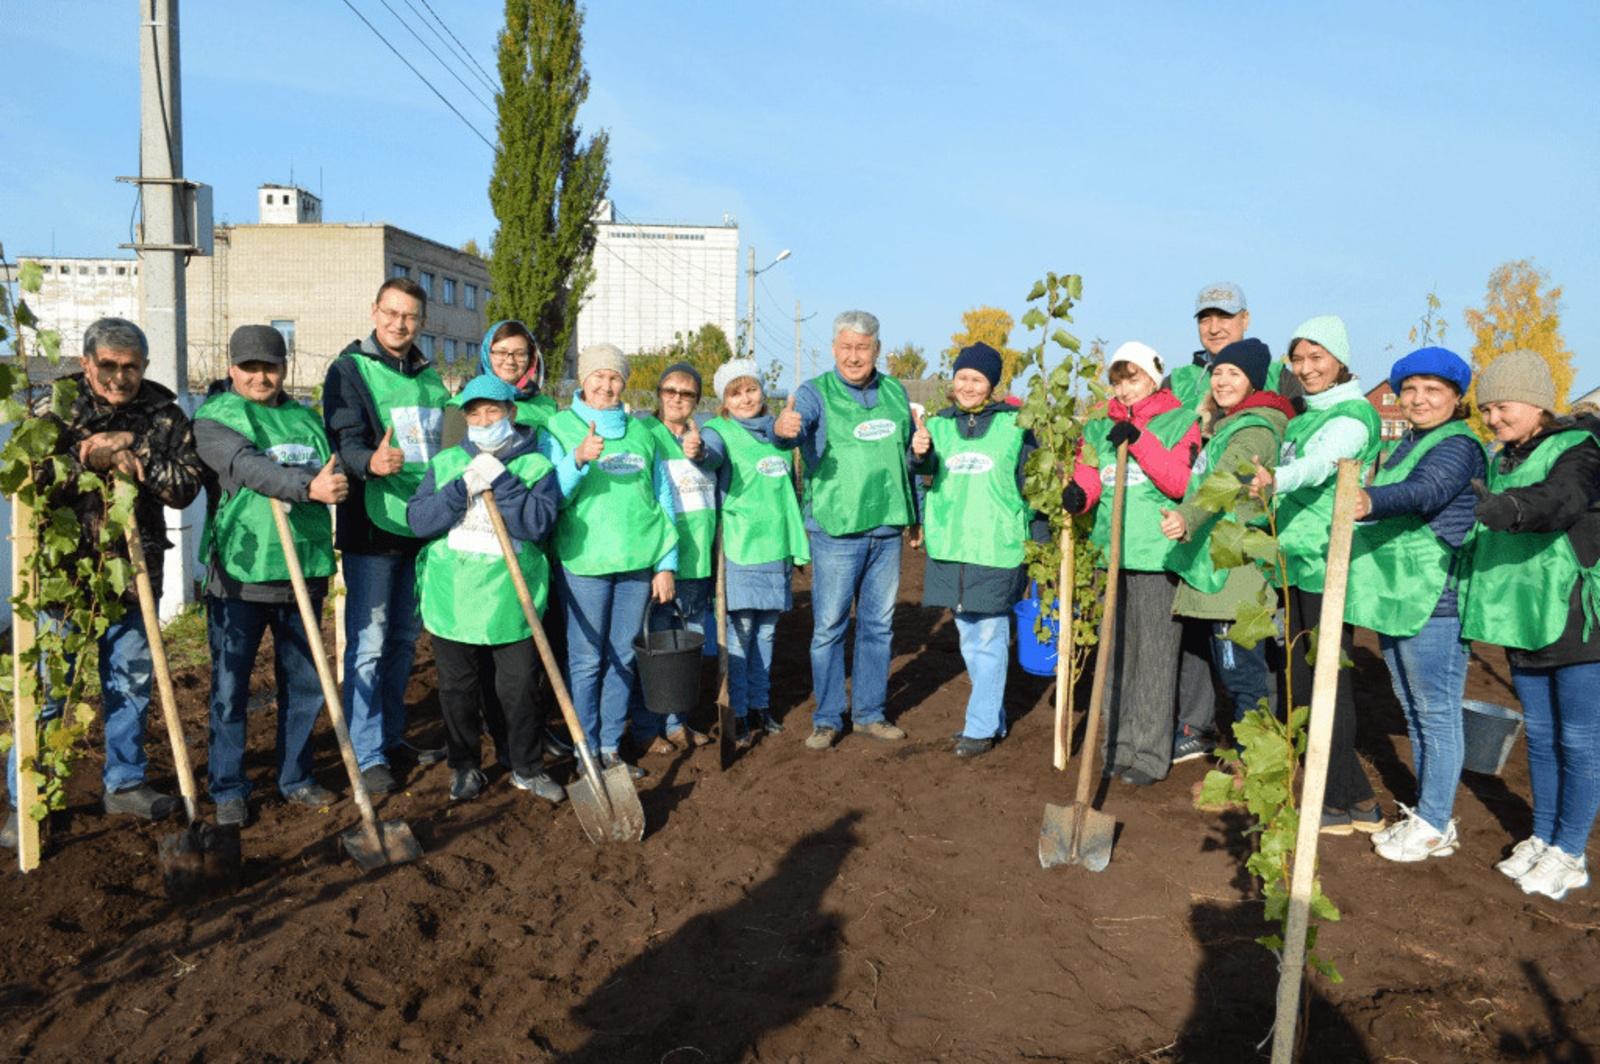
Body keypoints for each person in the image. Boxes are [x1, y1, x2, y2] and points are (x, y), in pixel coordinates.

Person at [3, 317, 204, 848]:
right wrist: (83, 456)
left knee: (130, 684)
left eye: (131, 367)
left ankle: (125, 781)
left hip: (135, 574)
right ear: (87, 362)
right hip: (63, 582)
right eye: (109, 366)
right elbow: (26, 478)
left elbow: (185, 487)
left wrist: (134, 448)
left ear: (144, 366)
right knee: (51, 691)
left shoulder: (163, 413)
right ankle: (28, 799)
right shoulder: (52, 406)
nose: (119, 377)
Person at [193, 325, 349, 827]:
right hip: (241, 572)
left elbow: (336, 470)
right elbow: (247, 467)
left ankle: (296, 775)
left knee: (304, 683)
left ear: (285, 368)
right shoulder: (217, 418)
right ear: (232, 367)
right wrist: (309, 489)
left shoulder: (306, 420)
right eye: (251, 367)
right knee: (229, 686)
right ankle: (228, 786)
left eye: (271, 366)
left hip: (304, 567)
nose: (261, 376)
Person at [1462, 351, 1600, 901]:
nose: (1493, 418)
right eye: (1487, 409)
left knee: (1580, 739)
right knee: (1540, 736)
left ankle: (1570, 853)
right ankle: (1542, 836)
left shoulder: (1581, 451)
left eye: (1503, 406)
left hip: (1575, 617)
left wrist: (1512, 507)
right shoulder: (1504, 458)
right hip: (1523, 612)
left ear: (1538, 402)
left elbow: (1562, 500)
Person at [1344, 347, 1484, 861]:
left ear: (1454, 397)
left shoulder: (1457, 445)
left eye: (1433, 390)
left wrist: (1370, 501)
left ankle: (1435, 821)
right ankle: (1428, 814)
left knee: (1437, 712)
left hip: (1436, 599)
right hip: (1399, 593)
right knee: (1415, 708)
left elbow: (1429, 492)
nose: (1419, 399)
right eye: (1410, 389)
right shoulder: (1410, 442)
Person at [1248, 316, 1384, 835]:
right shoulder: (1306, 415)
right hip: (1299, 558)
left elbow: (1324, 466)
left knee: (1328, 679)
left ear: (1340, 360)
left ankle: (1339, 796)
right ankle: (1352, 800)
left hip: (1330, 559)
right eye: (1298, 360)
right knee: (1305, 678)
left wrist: (1277, 478)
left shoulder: (1352, 416)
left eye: (1316, 358)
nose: (1306, 369)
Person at [407, 375, 566, 804]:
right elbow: (419, 520)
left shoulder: (536, 467)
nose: (482, 419)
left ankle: (526, 767)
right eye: (474, 413)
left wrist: (505, 482)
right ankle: (464, 766)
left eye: (492, 411)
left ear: (511, 412)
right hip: (454, 597)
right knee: (458, 689)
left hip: (511, 598)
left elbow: (536, 524)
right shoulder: (445, 464)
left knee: (517, 688)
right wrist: (461, 488)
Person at [322, 277, 450, 796]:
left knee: (402, 639)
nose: (400, 324)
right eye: (392, 313)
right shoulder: (348, 371)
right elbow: (344, 437)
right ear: (374, 311)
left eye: (411, 317)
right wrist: (369, 463)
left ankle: (393, 736)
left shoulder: (430, 377)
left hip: (422, 525)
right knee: (369, 643)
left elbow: (448, 441)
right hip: (373, 527)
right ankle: (366, 751)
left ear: (421, 322)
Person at [774, 310, 915, 750]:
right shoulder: (814, 392)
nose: (855, 356)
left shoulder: (894, 391)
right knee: (830, 626)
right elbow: (789, 434)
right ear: (835, 349)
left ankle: (870, 712)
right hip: (836, 530)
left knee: (878, 626)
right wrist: (783, 431)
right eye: (847, 347)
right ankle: (828, 717)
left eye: (864, 348)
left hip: (886, 528)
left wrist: (917, 515)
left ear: (876, 350)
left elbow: (908, 459)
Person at [538, 343, 678, 778]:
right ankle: (585, 751)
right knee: (586, 660)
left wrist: (666, 561)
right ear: (583, 380)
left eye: (615, 377)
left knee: (624, 655)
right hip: (584, 562)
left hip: (637, 562)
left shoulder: (643, 433)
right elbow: (550, 498)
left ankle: (610, 748)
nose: (607, 384)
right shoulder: (559, 427)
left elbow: (663, 498)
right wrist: (577, 459)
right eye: (598, 375)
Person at [1063, 342, 1201, 783]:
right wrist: (1079, 495)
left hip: (1157, 556)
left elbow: (1180, 482)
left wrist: (1140, 442)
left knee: (1155, 659)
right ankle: (1116, 747)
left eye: (1134, 378)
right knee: (1115, 654)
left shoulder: (1180, 420)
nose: (1125, 389)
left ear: (1154, 377)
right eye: (1118, 380)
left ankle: (1147, 754)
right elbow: (1092, 472)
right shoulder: (1101, 425)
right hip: (1114, 555)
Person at [1168, 284, 1291, 763]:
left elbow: (1223, 482)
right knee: (1229, 662)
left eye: (1233, 374)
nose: (1221, 381)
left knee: (1243, 670)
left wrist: (1186, 517)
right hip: (1216, 561)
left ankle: (1254, 760)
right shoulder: (1226, 418)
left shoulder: (1255, 426)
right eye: (1217, 373)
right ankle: (1239, 746)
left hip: (1234, 564)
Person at [910, 343, 1042, 758]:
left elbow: (1033, 487)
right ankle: (993, 718)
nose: (968, 386)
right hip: (951, 544)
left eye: (977, 379)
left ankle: (980, 726)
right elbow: (927, 474)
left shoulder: (1016, 426)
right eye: (962, 377)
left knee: (988, 634)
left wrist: (1039, 544)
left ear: (992, 385)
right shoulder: (941, 424)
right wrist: (921, 454)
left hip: (996, 545)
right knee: (969, 635)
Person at [699, 358, 811, 745]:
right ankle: (740, 712)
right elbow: (710, 456)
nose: (745, 398)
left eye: (751, 389)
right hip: (740, 550)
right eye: (735, 393)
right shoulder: (717, 431)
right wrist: (698, 452)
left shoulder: (780, 433)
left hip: (775, 547)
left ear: (762, 391)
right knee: (739, 634)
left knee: (765, 633)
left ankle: (762, 706)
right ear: (724, 401)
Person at [630, 362, 717, 752]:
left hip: (698, 559)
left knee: (684, 647)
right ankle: (648, 727)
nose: (677, 399)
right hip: (660, 561)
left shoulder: (705, 439)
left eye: (687, 393)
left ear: (697, 400)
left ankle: (678, 722)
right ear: (659, 394)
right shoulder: (644, 434)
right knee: (655, 647)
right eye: (670, 391)